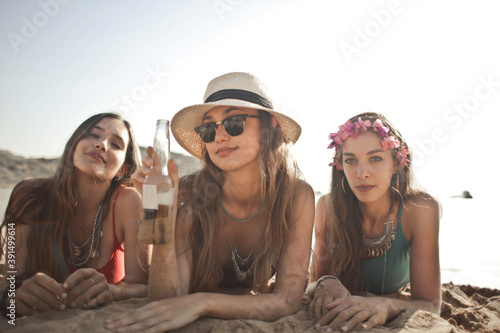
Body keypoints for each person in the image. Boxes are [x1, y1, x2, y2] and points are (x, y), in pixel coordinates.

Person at [105, 72, 315, 332]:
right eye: (208, 128)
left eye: (234, 122)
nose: (219, 136)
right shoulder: (190, 198)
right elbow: (163, 301)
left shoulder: (296, 197)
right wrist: (161, 216)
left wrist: (202, 302)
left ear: (270, 124)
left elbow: (287, 301)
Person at [0, 113, 148, 318]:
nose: (102, 144)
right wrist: (13, 295)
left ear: (122, 170)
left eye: (116, 144)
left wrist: (114, 290)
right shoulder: (28, 195)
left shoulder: (128, 202)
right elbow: (11, 277)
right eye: (93, 135)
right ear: (73, 146)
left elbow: (143, 285)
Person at [306, 112, 441, 332]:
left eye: (375, 158)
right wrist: (325, 282)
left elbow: (431, 304)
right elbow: (311, 285)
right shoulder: (328, 207)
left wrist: (388, 305)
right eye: (350, 160)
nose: (362, 173)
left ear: (397, 162)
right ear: (340, 165)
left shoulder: (419, 209)